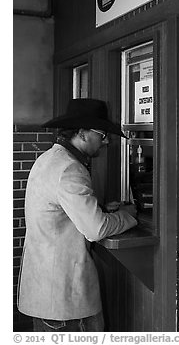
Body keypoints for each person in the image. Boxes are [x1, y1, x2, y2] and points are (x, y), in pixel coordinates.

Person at [17, 98, 137, 332]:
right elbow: (97, 229)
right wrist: (129, 215)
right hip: (65, 302)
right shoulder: (70, 168)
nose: (106, 142)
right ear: (82, 133)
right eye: (102, 135)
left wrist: (99, 208)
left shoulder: (50, 158)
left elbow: (60, 212)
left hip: (46, 294)